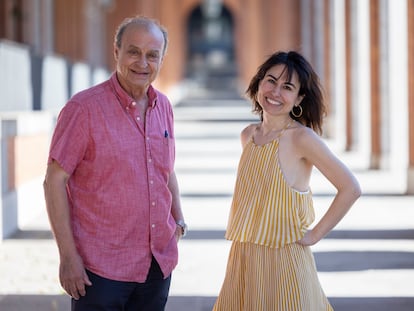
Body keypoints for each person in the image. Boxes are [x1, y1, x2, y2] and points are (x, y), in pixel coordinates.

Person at [43, 15, 187, 311]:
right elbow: (54, 181)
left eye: (152, 55)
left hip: (157, 266)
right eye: (133, 51)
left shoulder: (165, 107)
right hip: (101, 270)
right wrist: (68, 258)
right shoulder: (83, 109)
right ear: (116, 51)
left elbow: (165, 169)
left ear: (161, 59)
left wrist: (179, 219)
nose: (142, 63)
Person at [213, 51, 361, 310]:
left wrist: (315, 234)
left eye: (287, 87)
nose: (275, 92)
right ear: (259, 83)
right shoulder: (248, 136)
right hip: (244, 259)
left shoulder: (301, 138)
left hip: (285, 264)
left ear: (298, 98)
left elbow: (350, 188)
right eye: (270, 81)